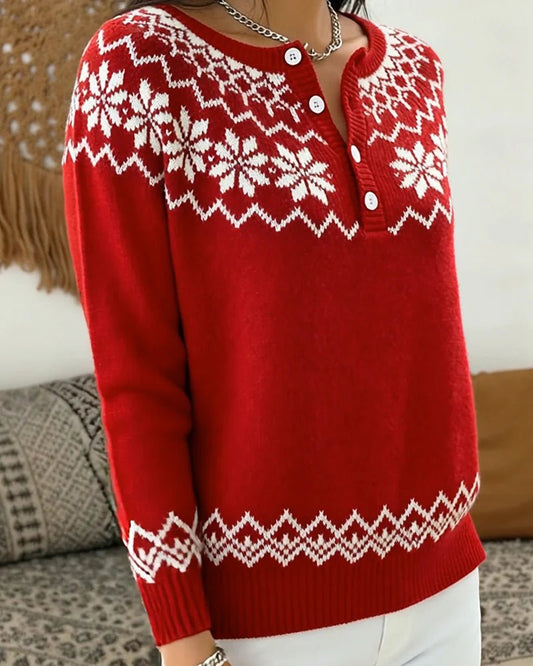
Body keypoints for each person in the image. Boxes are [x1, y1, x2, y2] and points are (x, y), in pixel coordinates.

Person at [61, 0, 487, 665]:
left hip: (445, 594)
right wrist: (184, 642)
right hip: (268, 628)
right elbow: (135, 380)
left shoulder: (413, 69)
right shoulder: (139, 63)